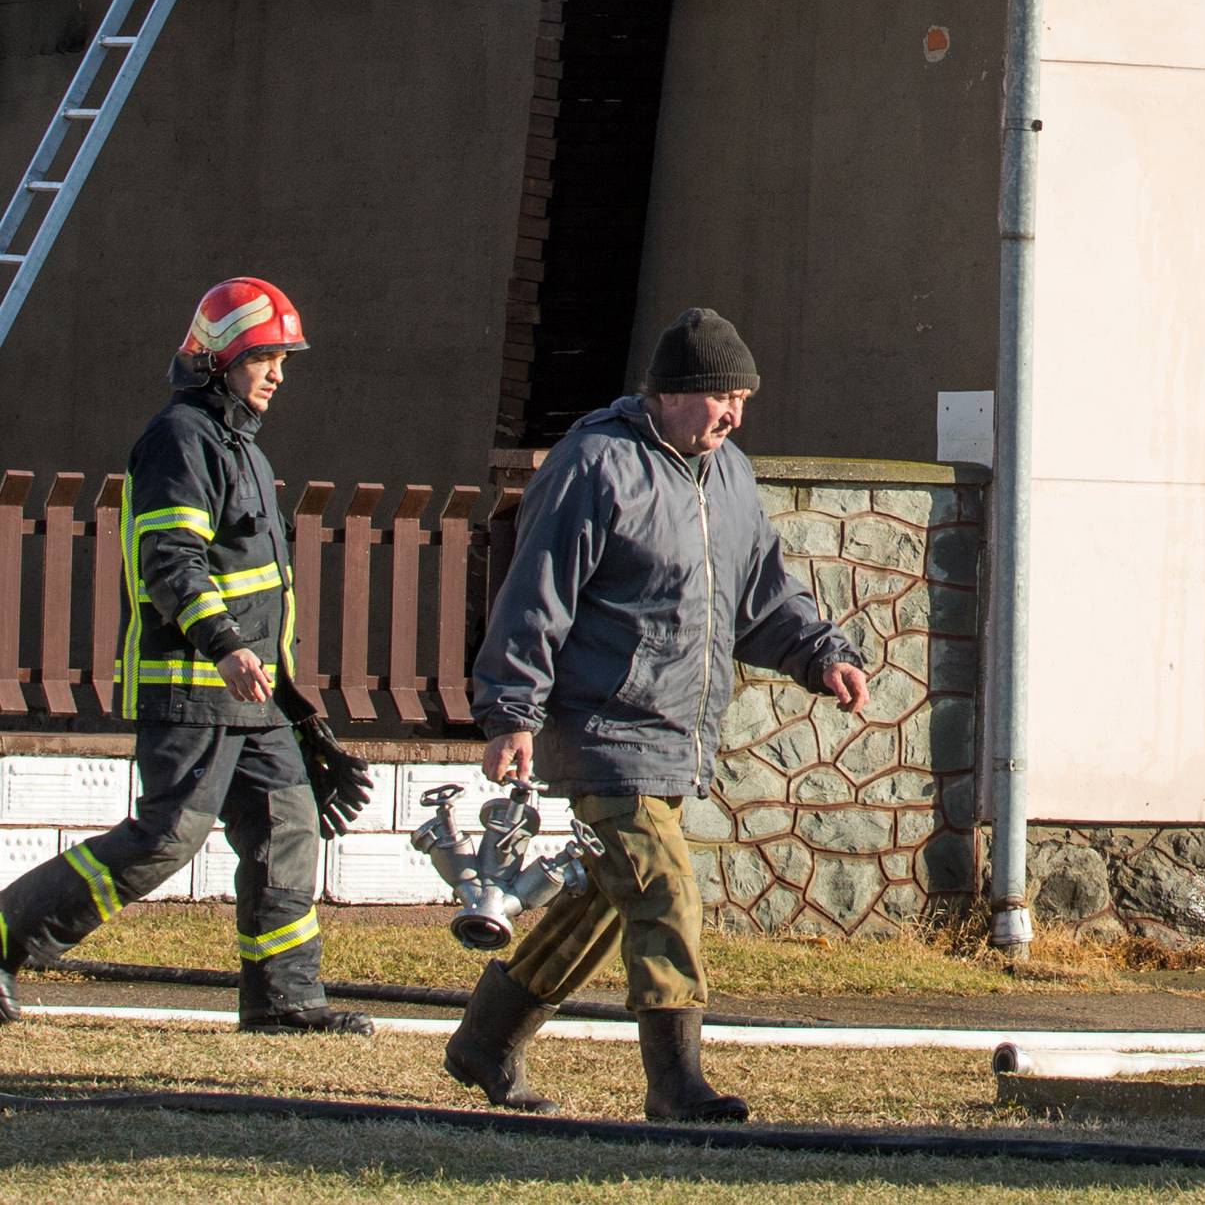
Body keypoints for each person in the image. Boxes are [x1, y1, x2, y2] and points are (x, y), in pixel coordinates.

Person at [445, 307, 868, 1122]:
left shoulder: (732, 475)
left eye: (744, 398)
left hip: (677, 733)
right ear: (674, 392)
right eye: (723, 398)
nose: (735, 414)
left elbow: (762, 598)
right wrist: (510, 713)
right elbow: (536, 595)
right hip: (605, 728)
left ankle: (487, 1039)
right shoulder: (594, 464)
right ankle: (676, 1085)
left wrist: (822, 654)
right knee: (664, 889)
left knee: (608, 898)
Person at [0, 279, 372, 1035]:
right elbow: (169, 561)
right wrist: (228, 645)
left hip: (255, 697)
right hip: (195, 685)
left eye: (281, 359)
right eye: (263, 358)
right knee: (167, 838)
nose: (277, 374)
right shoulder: (181, 440)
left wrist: (285, 699)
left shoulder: (244, 451)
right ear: (216, 362)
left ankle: (285, 1002)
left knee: (288, 825)